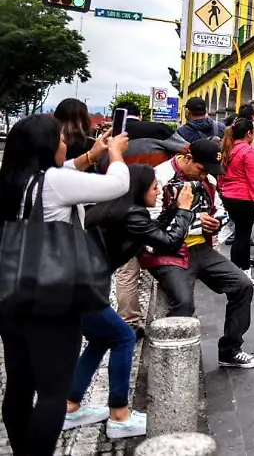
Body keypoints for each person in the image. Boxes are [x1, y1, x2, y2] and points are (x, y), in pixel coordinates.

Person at [0, 115, 130, 456]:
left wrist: (90, 155)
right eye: (59, 139)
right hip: (52, 297)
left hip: (12, 293)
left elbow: (66, 170)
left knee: (18, 385)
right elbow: (116, 185)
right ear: (45, 146)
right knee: (53, 391)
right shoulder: (55, 182)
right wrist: (115, 152)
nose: (64, 144)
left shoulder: (14, 180)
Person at [66, 165, 196, 439]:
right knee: (124, 337)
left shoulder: (116, 210)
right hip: (84, 289)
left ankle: (71, 405)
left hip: (77, 285)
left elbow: (150, 233)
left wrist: (172, 211)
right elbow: (169, 243)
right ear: (139, 189)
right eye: (154, 187)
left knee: (102, 340)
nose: (159, 190)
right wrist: (185, 211)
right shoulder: (132, 215)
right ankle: (119, 415)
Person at [140, 140, 254, 370]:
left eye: (208, 171)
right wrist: (191, 220)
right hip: (168, 251)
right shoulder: (160, 178)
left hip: (200, 248)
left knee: (242, 285)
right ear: (187, 158)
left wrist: (215, 224)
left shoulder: (208, 181)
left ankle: (230, 350)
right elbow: (152, 224)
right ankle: (173, 364)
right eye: (201, 169)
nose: (204, 175)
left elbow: (221, 212)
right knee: (184, 303)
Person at [218, 120, 254, 282]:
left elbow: (221, 176)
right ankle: (244, 271)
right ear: (249, 133)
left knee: (239, 233)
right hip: (244, 198)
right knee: (243, 235)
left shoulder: (229, 150)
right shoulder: (248, 152)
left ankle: (235, 269)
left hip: (229, 196)